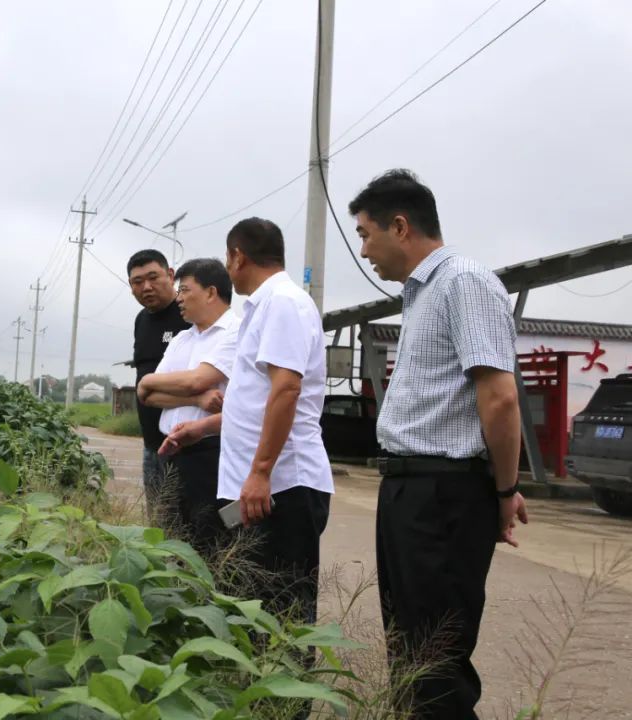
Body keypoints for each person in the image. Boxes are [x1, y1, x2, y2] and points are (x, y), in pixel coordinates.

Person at [348, 169, 528, 719]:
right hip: (413, 490)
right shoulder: (419, 294)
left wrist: (505, 491)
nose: (363, 249)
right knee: (409, 653)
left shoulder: (463, 281)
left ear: (399, 226)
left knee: (435, 662)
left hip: (444, 494)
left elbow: (498, 399)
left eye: (364, 233)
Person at [162, 218, 333, 626]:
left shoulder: (283, 303)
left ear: (238, 256)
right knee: (253, 604)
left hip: (282, 486)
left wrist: (260, 472)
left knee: (283, 611)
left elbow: (287, 390)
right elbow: (254, 402)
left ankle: (287, 692)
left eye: (227, 256)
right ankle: (259, 688)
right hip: (260, 489)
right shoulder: (263, 308)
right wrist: (200, 429)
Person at [138, 258, 239, 557]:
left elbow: (197, 380)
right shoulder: (183, 338)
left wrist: (154, 381)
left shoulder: (235, 331)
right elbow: (149, 395)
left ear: (210, 292)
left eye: (184, 289)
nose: (178, 298)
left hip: (212, 454)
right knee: (171, 543)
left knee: (209, 543)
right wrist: (192, 398)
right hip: (173, 456)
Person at [128, 249, 191, 514]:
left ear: (171, 275)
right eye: (137, 281)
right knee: (157, 526)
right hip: (151, 446)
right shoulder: (141, 320)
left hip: (186, 445)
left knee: (187, 526)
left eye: (153, 277)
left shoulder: (189, 314)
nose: (146, 287)